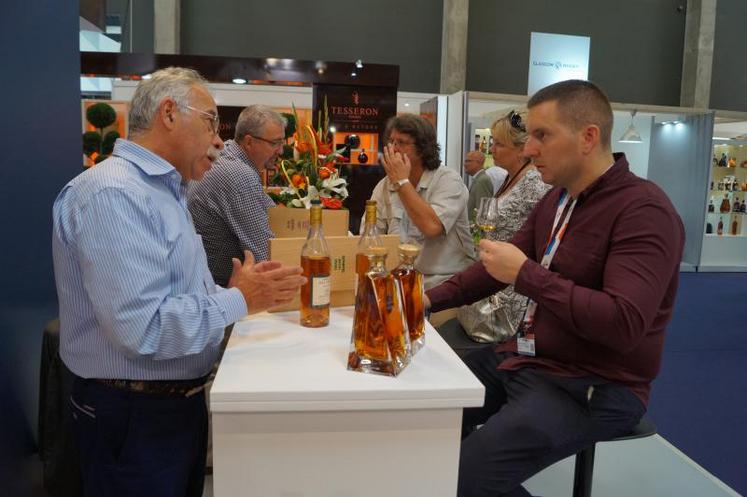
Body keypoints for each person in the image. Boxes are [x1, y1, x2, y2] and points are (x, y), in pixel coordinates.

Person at [52, 67, 306, 497]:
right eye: (210, 121)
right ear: (169, 113)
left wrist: (231, 292)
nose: (219, 140)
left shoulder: (166, 190)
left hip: (166, 408)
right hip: (133, 415)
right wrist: (239, 299)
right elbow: (143, 328)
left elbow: (178, 293)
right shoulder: (115, 194)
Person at [425, 80, 685, 497]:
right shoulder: (558, 200)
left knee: (461, 478)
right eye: (529, 136)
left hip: (593, 384)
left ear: (588, 137)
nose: (529, 149)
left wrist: (526, 274)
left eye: (542, 135)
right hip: (528, 358)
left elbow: (623, 323)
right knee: (424, 420)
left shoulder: (643, 211)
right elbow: (496, 268)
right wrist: (424, 299)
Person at [446, 112, 550, 348]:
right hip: (492, 279)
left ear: (521, 149)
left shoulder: (534, 182)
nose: (492, 149)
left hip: (510, 296)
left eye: (499, 144)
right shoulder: (509, 177)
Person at [367, 114, 475, 289]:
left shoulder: (448, 180)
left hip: (445, 283)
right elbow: (370, 237)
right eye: (391, 142)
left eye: (401, 143)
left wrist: (402, 183)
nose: (393, 149)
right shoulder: (384, 185)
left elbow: (432, 227)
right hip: (400, 282)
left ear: (423, 148)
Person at [187, 104, 286, 286]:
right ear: (249, 142)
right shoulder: (238, 175)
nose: (280, 151)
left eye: (282, 142)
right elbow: (265, 254)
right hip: (218, 287)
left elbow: (269, 210)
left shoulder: (229, 157)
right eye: (275, 143)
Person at [464, 150, 493, 222]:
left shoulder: (482, 181)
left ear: (479, 162)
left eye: (468, 161)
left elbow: (482, 213)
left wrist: (477, 232)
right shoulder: (478, 179)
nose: (464, 164)